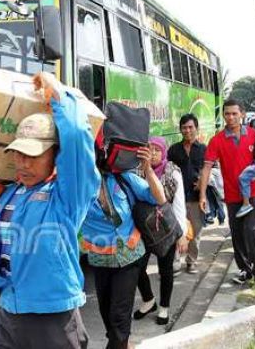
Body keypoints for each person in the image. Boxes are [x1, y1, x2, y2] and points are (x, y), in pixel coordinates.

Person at [0, 73, 100, 348]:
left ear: (54, 155)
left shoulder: (66, 196)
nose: (23, 163)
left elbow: (77, 138)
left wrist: (60, 95)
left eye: (33, 154)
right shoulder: (9, 196)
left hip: (54, 318)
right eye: (18, 153)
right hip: (9, 314)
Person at [82, 132, 166, 349]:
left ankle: (120, 344)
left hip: (128, 258)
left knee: (119, 318)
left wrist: (147, 169)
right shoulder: (81, 185)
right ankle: (123, 344)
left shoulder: (124, 178)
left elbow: (160, 198)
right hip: (100, 259)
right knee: (107, 315)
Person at [199, 99, 255, 287]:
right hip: (233, 195)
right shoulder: (217, 140)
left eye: (235, 113)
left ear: (242, 114)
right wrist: (202, 195)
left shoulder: (254, 135)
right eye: (227, 113)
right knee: (237, 233)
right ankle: (245, 269)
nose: (231, 117)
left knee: (251, 230)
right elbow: (207, 168)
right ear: (223, 115)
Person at [134, 137, 189, 326]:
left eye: (158, 150)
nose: (154, 153)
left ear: (163, 152)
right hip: (143, 228)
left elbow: (179, 204)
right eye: (150, 149)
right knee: (137, 266)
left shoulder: (172, 172)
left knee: (165, 270)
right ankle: (148, 300)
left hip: (166, 227)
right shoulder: (137, 170)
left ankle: (164, 307)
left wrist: (181, 235)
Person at [168, 113, 206, 274]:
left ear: (196, 128)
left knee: (195, 232)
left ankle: (191, 261)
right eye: (184, 128)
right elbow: (167, 169)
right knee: (176, 230)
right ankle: (175, 262)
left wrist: (204, 183)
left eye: (190, 127)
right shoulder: (173, 150)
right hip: (176, 198)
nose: (187, 130)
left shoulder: (204, 149)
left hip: (196, 198)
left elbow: (213, 170)